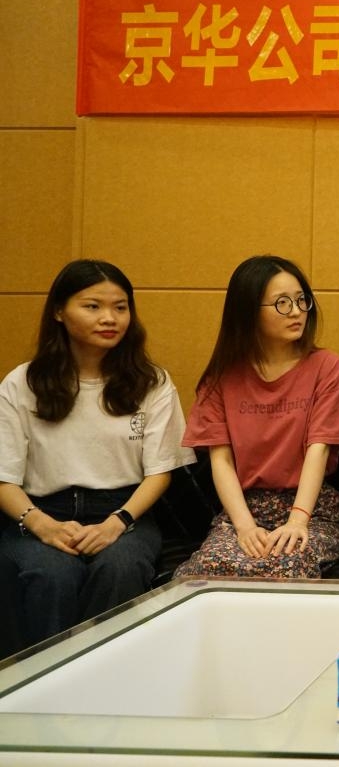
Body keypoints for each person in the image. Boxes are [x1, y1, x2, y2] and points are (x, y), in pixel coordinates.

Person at [0, 260, 193, 644]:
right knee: (52, 575)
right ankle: (46, 679)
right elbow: (4, 477)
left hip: (124, 512)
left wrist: (117, 522)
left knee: (120, 569)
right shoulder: (23, 382)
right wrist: (41, 524)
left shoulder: (151, 382)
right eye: (92, 306)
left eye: (120, 307)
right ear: (59, 311)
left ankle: (103, 676)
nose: (110, 318)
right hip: (40, 511)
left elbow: (160, 472)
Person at [175, 255, 339, 579]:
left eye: (301, 300)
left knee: (284, 566)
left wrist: (298, 520)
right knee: (208, 569)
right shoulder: (222, 376)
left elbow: (318, 449)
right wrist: (245, 526)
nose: (296, 311)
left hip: (311, 509)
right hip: (243, 510)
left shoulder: (325, 366)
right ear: (248, 310)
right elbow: (221, 461)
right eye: (282, 303)